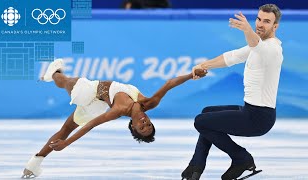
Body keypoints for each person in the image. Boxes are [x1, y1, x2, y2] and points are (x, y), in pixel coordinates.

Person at [21, 59, 207, 179]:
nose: (144, 122)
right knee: (72, 97)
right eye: (149, 124)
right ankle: (53, 75)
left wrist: (66, 143)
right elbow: (169, 84)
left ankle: (34, 163)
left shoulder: (119, 110)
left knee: (76, 97)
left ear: (133, 127)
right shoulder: (149, 103)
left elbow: (91, 124)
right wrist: (191, 76)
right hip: (96, 97)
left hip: (93, 99)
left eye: (142, 127)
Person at [181, 4, 283, 180]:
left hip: (259, 118)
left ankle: (241, 158)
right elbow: (231, 57)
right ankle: (195, 167)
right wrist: (202, 66)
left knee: (201, 122)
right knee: (207, 113)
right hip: (250, 111)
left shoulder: (272, 49)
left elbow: (256, 44)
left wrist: (247, 30)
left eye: (267, 21)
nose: (260, 24)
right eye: (259, 19)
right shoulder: (257, 47)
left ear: (275, 26)